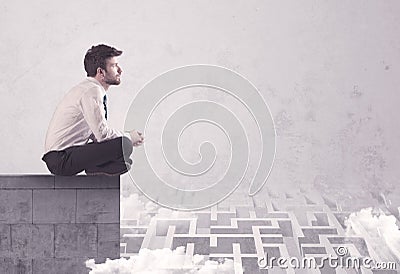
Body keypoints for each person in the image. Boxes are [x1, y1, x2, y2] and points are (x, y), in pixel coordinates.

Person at [42, 44, 143, 176]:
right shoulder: (92, 90)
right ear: (101, 72)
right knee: (125, 145)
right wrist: (130, 137)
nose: (120, 70)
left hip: (66, 155)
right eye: (114, 66)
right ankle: (96, 166)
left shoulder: (90, 89)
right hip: (61, 159)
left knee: (124, 159)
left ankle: (95, 167)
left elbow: (95, 136)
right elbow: (102, 135)